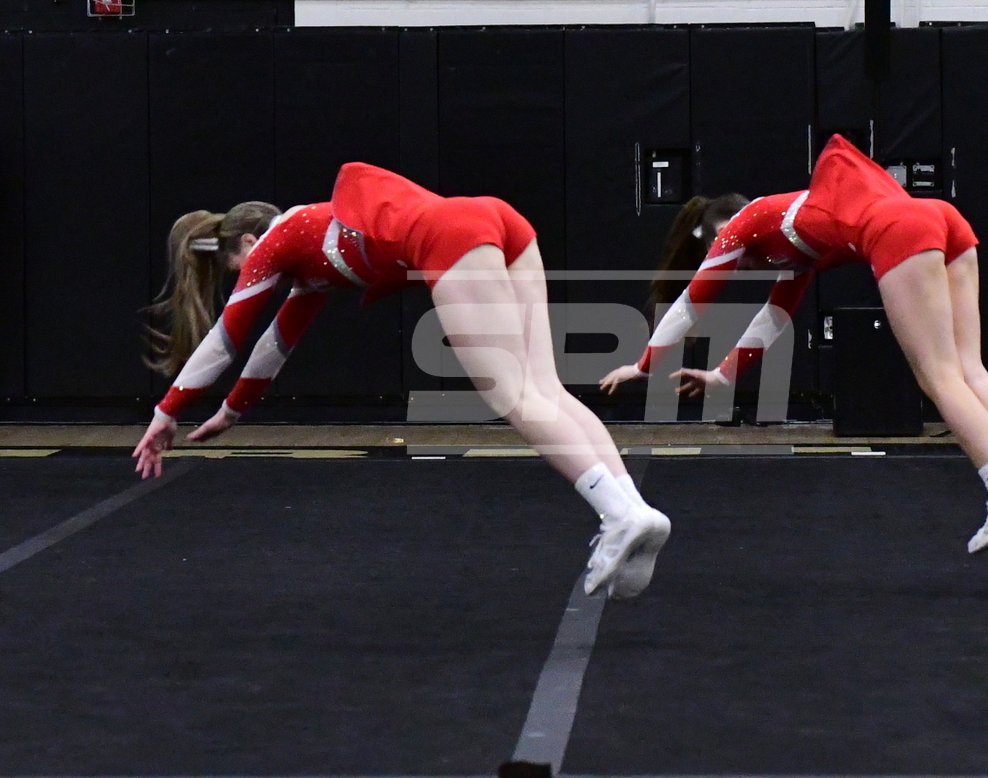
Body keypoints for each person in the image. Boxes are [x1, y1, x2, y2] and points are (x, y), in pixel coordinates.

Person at [133, 164, 670, 599]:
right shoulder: (311, 249)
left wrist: (165, 412)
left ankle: (617, 513)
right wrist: (230, 411)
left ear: (251, 240)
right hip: (499, 218)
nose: (250, 278)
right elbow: (274, 345)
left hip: (449, 236)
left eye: (239, 268)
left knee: (514, 398)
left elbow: (227, 338)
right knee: (546, 390)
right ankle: (633, 508)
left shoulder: (278, 243)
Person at [600, 134, 988, 555]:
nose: (735, 268)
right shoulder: (794, 236)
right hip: (942, 217)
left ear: (720, 234)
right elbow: (775, 315)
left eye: (725, 257)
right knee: (970, 371)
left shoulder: (744, 223)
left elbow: (692, 301)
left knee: (939, 377)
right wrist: (723, 375)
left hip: (899, 227)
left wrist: (642, 365)